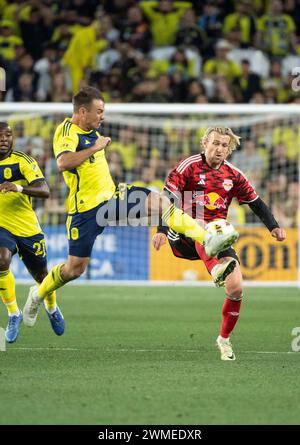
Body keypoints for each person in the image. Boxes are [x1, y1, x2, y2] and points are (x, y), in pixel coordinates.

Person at [23, 86, 239, 326]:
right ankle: (38, 294)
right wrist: (95, 147)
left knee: (161, 202)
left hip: (113, 197)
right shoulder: (67, 131)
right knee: (74, 270)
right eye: (99, 111)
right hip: (86, 211)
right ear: (82, 112)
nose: (102, 116)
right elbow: (63, 162)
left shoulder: (92, 129)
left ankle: (206, 237)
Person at [152, 127, 286, 361]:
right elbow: (167, 197)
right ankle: (215, 268)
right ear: (205, 143)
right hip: (182, 234)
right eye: (215, 143)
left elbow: (255, 202)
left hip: (216, 236)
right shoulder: (189, 166)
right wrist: (162, 230)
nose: (219, 149)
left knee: (236, 288)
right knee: (204, 222)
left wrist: (273, 226)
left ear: (229, 149)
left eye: (225, 146)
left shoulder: (233, 175)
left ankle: (224, 339)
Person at [0, 122, 64, 343]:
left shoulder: (23, 161)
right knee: (1, 260)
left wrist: (17, 187)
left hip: (27, 227)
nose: (4, 139)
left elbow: (44, 190)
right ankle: (13, 313)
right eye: (0, 136)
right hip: (2, 226)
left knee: (41, 276)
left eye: (8, 135)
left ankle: (52, 307)